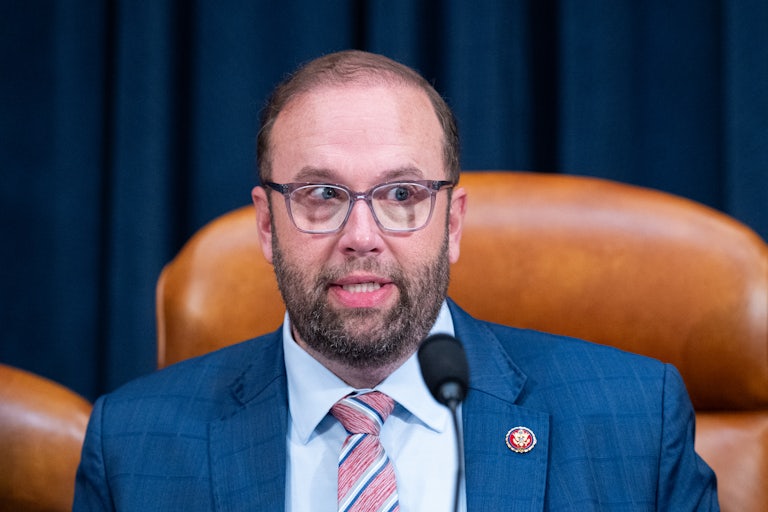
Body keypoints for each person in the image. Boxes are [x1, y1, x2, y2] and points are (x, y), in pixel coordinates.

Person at [73, 50, 718, 511]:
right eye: (321, 195)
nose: (362, 235)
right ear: (267, 225)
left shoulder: (634, 423)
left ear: (452, 223)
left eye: (402, 194)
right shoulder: (131, 447)